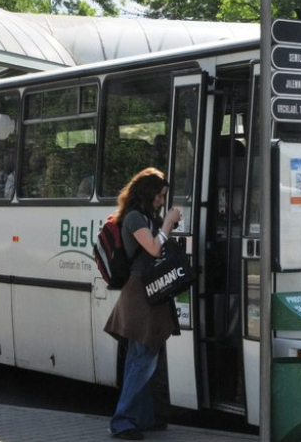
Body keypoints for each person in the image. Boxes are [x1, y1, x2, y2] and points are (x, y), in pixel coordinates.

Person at [104, 167, 182, 440]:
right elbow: (153, 248)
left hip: (151, 293)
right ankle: (123, 421)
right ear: (148, 193)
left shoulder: (146, 217)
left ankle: (144, 418)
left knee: (144, 357)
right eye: (160, 196)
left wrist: (165, 224)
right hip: (141, 295)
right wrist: (168, 223)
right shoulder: (135, 218)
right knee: (143, 359)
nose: (162, 201)